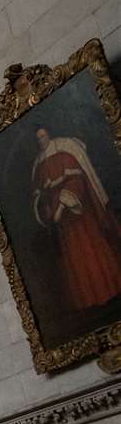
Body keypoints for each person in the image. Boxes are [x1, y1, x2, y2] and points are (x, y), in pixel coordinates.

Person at [30, 125, 121, 316]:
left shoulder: (64, 150)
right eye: (38, 138)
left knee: (90, 250)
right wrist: (49, 212)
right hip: (62, 223)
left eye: (43, 136)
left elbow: (76, 182)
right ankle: (88, 302)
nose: (41, 141)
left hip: (78, 215)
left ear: (49, 135)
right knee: (74, 259)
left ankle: (109, 292)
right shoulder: (37, 164)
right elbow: (40, 196)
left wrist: (62, 207)